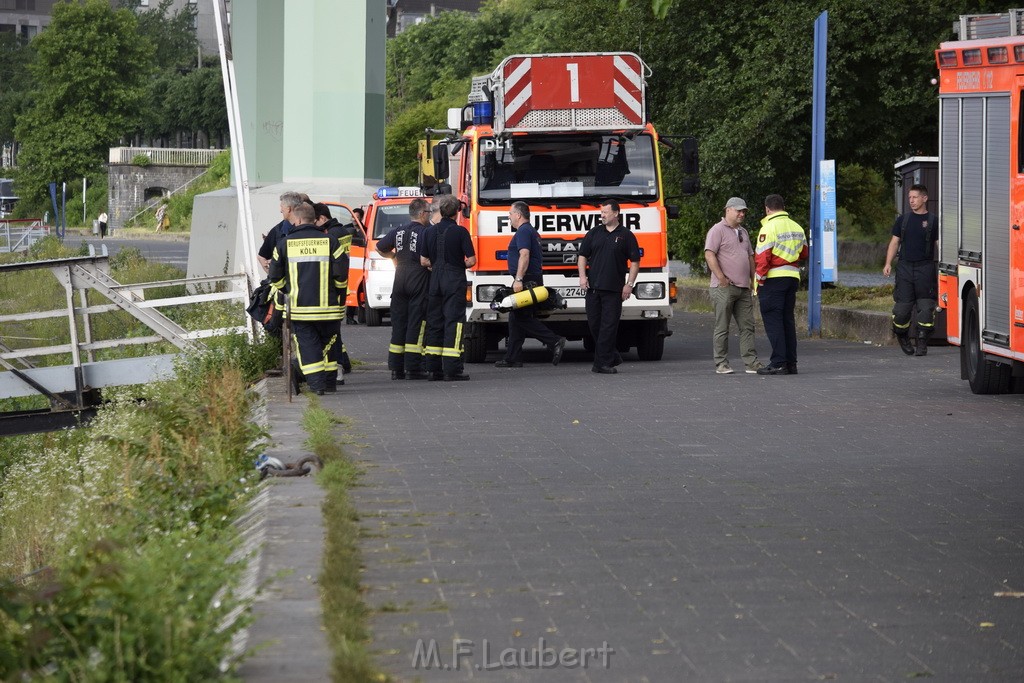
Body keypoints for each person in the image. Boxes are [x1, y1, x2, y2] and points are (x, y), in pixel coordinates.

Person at [268, 202, 348, 395]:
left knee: (308, 345)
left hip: (301, 309)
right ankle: (330, 383)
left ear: (298, 219)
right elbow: (341, 275)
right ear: (313, 219)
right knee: (328, 345)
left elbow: (275, 278)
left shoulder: (284, 244)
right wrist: (336, 296)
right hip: (329, 308)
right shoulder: (330, 241)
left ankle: (317, 386)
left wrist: (289, 290)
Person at [496, 201, 565, 368]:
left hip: (526, 280)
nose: (509, 217)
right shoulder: (529, 231)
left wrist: (519, 279)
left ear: (518, 215)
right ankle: (513, 357)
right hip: (531, 278)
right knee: (515, 317)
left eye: (510, 214)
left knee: (521, 317)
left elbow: (524, 255)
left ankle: (554, 341)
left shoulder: (524, 231)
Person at [578, 199, 640, 374]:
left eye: (605, 212)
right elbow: (582, 256)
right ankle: (612, 355)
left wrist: (629, 284)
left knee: (608, 327)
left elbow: (635, 262)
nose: (602, 215)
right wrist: (583, 277)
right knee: (595, 325)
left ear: (616, 213)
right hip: (593, 289)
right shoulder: (594, 233)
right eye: (601, 212)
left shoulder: (626, 235)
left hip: (614, 290)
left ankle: (602, 363)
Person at [419, 194, 476, 381]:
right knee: (454, 322)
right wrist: (460, 265)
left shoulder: (428, 232)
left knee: (435, 322)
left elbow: (424, 261)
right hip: (454, 280)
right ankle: (452, 369)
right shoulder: (460, 232)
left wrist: (436, 266)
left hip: (435, 280)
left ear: (441, 211)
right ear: (457, 212)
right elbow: (471, 260)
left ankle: (433, 369)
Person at [704, 197, 763, 374]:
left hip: (744, 287)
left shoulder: (743, 232)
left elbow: (750, 257)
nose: (741, 213)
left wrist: (753, 281)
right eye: (738, 210)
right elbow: (709, 254)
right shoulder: (717, 230)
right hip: (724, 287)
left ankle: (751, 362)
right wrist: (721, 277)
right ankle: (721, 363)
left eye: (743, 211)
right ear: (727, 210)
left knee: (748, 326)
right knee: (722, 326)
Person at [377, 198, 432, 380]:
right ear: (423, 214)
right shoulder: (427, 232)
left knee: (399, 323)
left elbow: (379, 247)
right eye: (429, 213)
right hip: (418, 278)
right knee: (416, 322)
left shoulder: (398, 230)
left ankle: (396, 368)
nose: (430, 216)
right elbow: (428, 259)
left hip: (399, 278)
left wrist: (394, 256)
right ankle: (413, 368)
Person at [754, 194, 808, 375]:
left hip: (773, 279)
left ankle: (778, 363)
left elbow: (762, 258)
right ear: (783, 207)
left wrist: (759, 280)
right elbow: (804, 254)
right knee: (787, 320)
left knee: (773, 321)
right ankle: (791, 363)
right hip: (792, 277)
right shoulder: (797, 227)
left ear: (767, 209)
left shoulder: (768, 228)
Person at [883, 184, 938, 356]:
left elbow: (939, 244)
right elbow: (894, 242)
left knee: (926, 308)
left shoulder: (933, 220)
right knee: (901, 311)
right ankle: (902, 336)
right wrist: (888, 263)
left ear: (924, 198)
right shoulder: (903, 220)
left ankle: (922, 342)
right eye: (909, 198)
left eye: (915, 197)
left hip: (925, 268)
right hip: (905, 268)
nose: (911, 201)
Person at [313, 203, 353, 381]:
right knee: (335, 330)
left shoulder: (331, 235)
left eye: (315, 222)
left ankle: (338, 367)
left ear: (322, 218)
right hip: (342, 283)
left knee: (332, 332)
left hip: (334, 286)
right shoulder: (342, 231)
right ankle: (343, 362)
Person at [258, 192, 308, 272]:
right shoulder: (277, 231)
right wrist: (272, 276)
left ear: (289, 209)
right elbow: (261, 257)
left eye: (282, 207)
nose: (281, 210)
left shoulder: (309, 229)